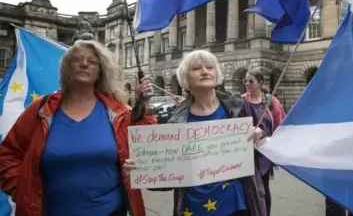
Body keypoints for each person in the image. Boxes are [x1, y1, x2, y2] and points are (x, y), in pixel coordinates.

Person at [0, 40, 157, 216]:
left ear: (100, 72)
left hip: (111, 211)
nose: (84, 64)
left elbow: (147, 148)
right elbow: (8, 153)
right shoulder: (41, 109)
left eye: (92, 61)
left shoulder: (118, 112)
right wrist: (20, 189)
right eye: (78, 59)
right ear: (67, 67)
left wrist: (144, 105)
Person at [124, 50, 268, 216]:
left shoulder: (238, 106)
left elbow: (263, 149)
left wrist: (259, 136)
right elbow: (168, 176)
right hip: (193, 207)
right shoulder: (177, 120)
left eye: (210, 67)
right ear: (186, 78)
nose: (205, 71)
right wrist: (141, 168)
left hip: (237, 206)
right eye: (197, 68)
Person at [241, 69, 286, 216]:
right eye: (245, 81)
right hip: (246, 153)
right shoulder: (241, 101)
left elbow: (281, 123)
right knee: (248, 188)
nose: (247, 84)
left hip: (264, 153)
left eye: (251, 81)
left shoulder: (271, 101)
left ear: (260, 83)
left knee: (263, 189)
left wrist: (277, 145)